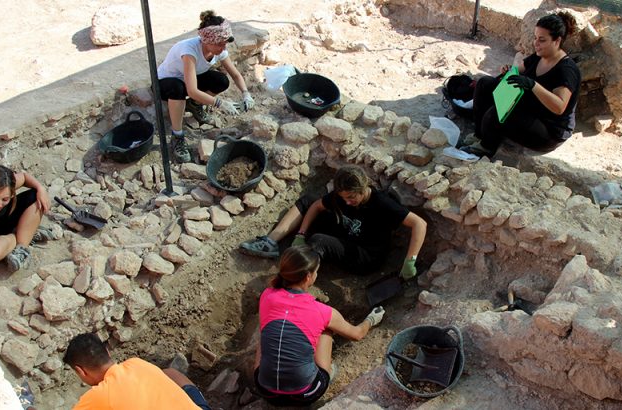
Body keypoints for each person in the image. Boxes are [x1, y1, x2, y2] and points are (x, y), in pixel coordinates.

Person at [239, 165, 427, 279]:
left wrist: (410, 261)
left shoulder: (382, 204)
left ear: (364, 188)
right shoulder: (342, 196)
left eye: (352, 197)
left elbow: (419, 224)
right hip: (347, 233)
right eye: (343, 197)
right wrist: (300, 235)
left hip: (365, 255)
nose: (347, 201)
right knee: (308, 200)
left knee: (320, 241)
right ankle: (271, 242)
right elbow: (316, 206)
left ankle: (299, 281)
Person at [254, 246, 385, 406]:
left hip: (266, 392)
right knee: (327, 328)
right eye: (316, 271)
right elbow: (357, 334)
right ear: (308, 276)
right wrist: (371, 319)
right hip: (306, 393)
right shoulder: (322, 311)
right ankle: (328, 371)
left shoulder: (267, 295)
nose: (317, 274)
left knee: (267, 331)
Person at [460, 12, 581, 158]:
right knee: (485, 84)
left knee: (498, 113)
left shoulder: (566, 70)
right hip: (531, 109)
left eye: (542, 40)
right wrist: (508, 71)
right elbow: (518, 69)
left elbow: (559, 107)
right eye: (535, 38)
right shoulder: (539, 56)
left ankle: (486, 148)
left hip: (548, 130)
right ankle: (479, 135)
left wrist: (533, 85)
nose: (536, 43)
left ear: (557, 41)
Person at [157, 10, 255, 163]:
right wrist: (220, 103)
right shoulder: (189, 51)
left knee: (221, 80)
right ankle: (177, 136)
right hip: (166, 83)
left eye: (225, 44)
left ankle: (194, 105)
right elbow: (192, 90)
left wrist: (246, 93)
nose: (223, 48)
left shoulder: (219, 49)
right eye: (220, 44)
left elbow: (235, 75)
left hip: (188, 79)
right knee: (179, 89)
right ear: (206, 41)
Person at [64, 333, 211, 410]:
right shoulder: (136, 363)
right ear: (108, 353)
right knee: (170, 373)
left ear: (81, 371)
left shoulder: (97, 397)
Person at [0, 165, 53, 272]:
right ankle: (23, 233)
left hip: (4, 219)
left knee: (36, 197)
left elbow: (24, 177)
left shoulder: (7, 184)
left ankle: (21, 247)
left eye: (5, 199)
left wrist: (41, 188)